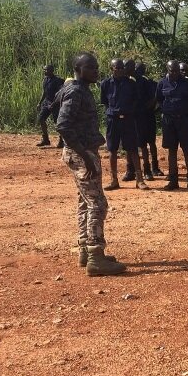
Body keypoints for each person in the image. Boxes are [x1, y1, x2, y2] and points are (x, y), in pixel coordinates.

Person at [54, 52, 126, 276]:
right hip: (81, 153)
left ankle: (85, 251)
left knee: (85, 202)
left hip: (80, 152)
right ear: (78, 68)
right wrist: (85, 157)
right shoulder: (76, 91)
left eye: (96, 67)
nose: (96, 70)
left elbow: (54, 106)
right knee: (97, 203)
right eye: (91, 67)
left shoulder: (76, 89)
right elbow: (63, 125)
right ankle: (96, 257)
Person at [99, 59, 148, 191]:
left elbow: (136, 100)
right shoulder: (105, 84)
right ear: (112, 69)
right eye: (117, 68)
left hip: (128, 119)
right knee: (112, 149)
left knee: (132, 149)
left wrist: (128, 111)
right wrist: (113, 112)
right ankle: (114, 180)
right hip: (112, 120)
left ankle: (140, 179)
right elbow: (104, 101)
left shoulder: (131, 83)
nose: (120, 70)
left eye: (122, 68)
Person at [155, 60, 188, 191]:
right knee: (172, 150)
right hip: (169, 122)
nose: (175, 73)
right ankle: (173, 181)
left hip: (185, 121)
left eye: (176, 70)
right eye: (172, 70)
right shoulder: (162, 83)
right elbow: (159, 99)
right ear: (167, 69)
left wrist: (184, 110)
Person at [133, 62, 162, 179]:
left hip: (148, 116)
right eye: (137, 69)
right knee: (142, 144)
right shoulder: (132, 83)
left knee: (151, 142)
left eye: (141, 69)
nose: (139, 71)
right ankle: (146, 169)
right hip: (137, 117)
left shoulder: (149, 83)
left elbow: (156, 97)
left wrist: (149, 107)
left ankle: (154, 168)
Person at [36, 65, 65, 147]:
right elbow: (44, 92)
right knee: (41, 119)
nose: (45, 71)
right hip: (46, 102)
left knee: (58, 122)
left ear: (52, 71)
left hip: (56, 103)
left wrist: (57, 103)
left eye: (46, 70)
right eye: (44, 70)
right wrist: (40, 102)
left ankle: (61, 141)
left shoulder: (58, 80)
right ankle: (45, 139)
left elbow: (61, 92)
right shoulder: (45, 79)